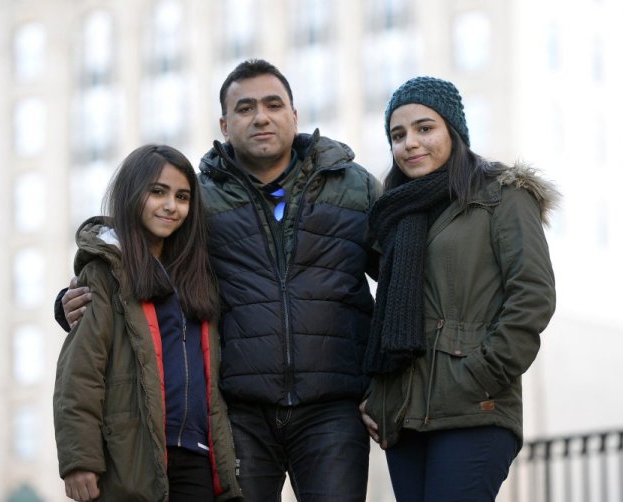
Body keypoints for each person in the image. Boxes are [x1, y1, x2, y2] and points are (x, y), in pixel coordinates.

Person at [56, 59, 381, 501]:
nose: (261, 116)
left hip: (333, 409)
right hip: (238, 413)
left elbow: (405, 282)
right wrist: (68, 301)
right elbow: (134, 264)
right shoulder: (198, 200)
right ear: (226, 124)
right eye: (245, 108)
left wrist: (388, 382)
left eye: (273, 104)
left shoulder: (355, 186)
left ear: (294, 115)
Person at [359, 76, 558, 501]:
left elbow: (532, 295)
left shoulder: (501, 195)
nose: (409, 142)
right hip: (405, 415)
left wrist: (479, 375)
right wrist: (377, 395)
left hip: (475, 408)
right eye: (398, 134)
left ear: (453, 130)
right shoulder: (395, 215)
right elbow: (385, 316)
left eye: (424, 128)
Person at [53, 144, 242, 502]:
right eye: (158, 192)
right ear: (131, 193)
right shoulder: (105, 274)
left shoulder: (199, 279)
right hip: (131, 456)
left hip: (199, 456)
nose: (171, 205)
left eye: (182, 196)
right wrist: (79, 460)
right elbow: (80, 373)